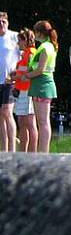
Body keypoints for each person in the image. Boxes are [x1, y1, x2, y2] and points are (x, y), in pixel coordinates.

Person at [25, 20, 58, 153]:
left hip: (42, 85)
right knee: (42, 122)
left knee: (43, 122)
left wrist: (26, 76)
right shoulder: (49, 45)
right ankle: (43, 150)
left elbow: (40, 69)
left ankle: (43, 151)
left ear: (39, 33)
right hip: (42, 85)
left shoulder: (45, 47)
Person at [10, 28, 38, 152]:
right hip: (21, 91)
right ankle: (23, 152)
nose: (18, 44)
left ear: (26, 40)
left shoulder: (31, 53)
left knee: (30, 122)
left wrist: (16, 77)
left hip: (28, 91)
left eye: (20, 41)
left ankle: (33, 154)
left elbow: (31, 72)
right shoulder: (24, 54)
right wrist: (14, 75)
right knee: (22, 122)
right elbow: (23, 70)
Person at [0, 12, 19, 152]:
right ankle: (4, 150)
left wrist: (18, 73)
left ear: (7, 23)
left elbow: (27, 53)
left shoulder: (14, 36)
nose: (1, 24)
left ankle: (12, 148)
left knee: (6, 111)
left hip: (10, 81)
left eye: (3, 22)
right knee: (1, 115)